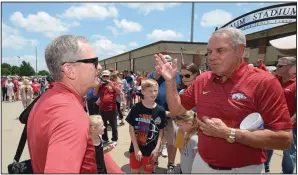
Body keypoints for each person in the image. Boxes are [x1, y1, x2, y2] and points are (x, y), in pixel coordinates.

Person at [155, 27, 293, 173]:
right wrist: (170, 82)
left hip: (243, 170)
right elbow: (177, 110)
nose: (212, 57)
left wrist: (229, 133)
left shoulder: (264, 82)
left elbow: (284, 139)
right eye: (209, 52)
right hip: (201, 165)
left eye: (220, 51)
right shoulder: (202, 80)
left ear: (240, 51)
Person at [27, 35, 101, 173]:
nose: (100, 67)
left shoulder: (47, 98)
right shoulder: (70, 114)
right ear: (69, 69)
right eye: (94, 62)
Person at [148, 55, 181, 173]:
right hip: (155, 113)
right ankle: (154, 161)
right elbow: (145, 91)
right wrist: (156, 77)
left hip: (171, 114)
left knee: (172, 141)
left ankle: (171, 164)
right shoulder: (152, 75)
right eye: (162, 63)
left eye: (168, 62)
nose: (165, 65)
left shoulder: (177, 76)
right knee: (154, 139)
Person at [125, 79, 166, 174]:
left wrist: (157, 148)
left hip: (151, 150)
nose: (154, 93)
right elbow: (131, 128)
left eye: (155, 90)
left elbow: (161, 131)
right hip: (135, 148)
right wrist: (136, 148)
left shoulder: (160, 110)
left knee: (148, 171)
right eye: (150, 91)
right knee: (135, 171)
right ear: (143, 92)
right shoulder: (136, 108)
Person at [265, 57, 297, 174]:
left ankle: (287, 172)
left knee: (288, 152)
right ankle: (265, 167)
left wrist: (290, 122)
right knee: (267, 146)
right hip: (271, 122)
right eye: (277, 65)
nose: (276, 68)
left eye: (280, 66)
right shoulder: (274, 80)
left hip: (290, 126)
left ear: (290, 67)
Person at [94, 70, 121, 146]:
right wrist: (98, 85)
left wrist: (112, 85)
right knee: (103, 126)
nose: (105, 78)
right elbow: (95, 93)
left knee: (114, 126)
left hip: (112, 109)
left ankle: (114, 139)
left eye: (107, 76)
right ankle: (105, 139)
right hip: (102, 109)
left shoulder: (114, 83)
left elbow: (119, 92)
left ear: (109, 77)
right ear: (102, 77)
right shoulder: (100, 85)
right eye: (104, 76)